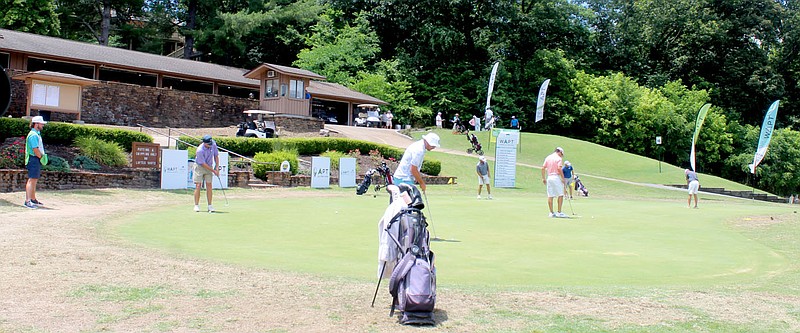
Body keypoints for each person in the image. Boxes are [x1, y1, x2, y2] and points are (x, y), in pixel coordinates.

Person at [24, 116, 48, 209]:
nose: (42, 125)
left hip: (34, 158)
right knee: (32, 180)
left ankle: (33, 199)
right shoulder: (33, 135)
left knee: (34, 179)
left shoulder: (35, 134)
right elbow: (35, 149)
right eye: (41, 123)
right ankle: (28, 201)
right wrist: (41, 157)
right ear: (36, 124)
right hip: (33, 158)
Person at [194, 135, 220, 212]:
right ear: (204, 143)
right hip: (200, 167)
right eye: (208, 144)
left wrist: (217, 167)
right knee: (198, 185)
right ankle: (196, 205)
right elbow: (202, 164)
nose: (210, 145)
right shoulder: (200, 150)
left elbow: (216, 156)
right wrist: (214, 171)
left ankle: (210, 206)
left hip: (209, 166)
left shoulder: (213, 144)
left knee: (209, 185)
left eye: (210, 143)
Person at [541, 147, 566, 218]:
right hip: (556, 177)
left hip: (549, 177)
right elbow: (559, 168)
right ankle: (559, 212)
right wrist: (563, 178)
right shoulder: (558, 158)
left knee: (550, 195)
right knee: (560, 194)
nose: (561, 156)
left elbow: (543, 168)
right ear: (559, 152)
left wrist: (543, 178)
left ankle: (551, 213)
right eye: (562, 154)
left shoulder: (548, 157)